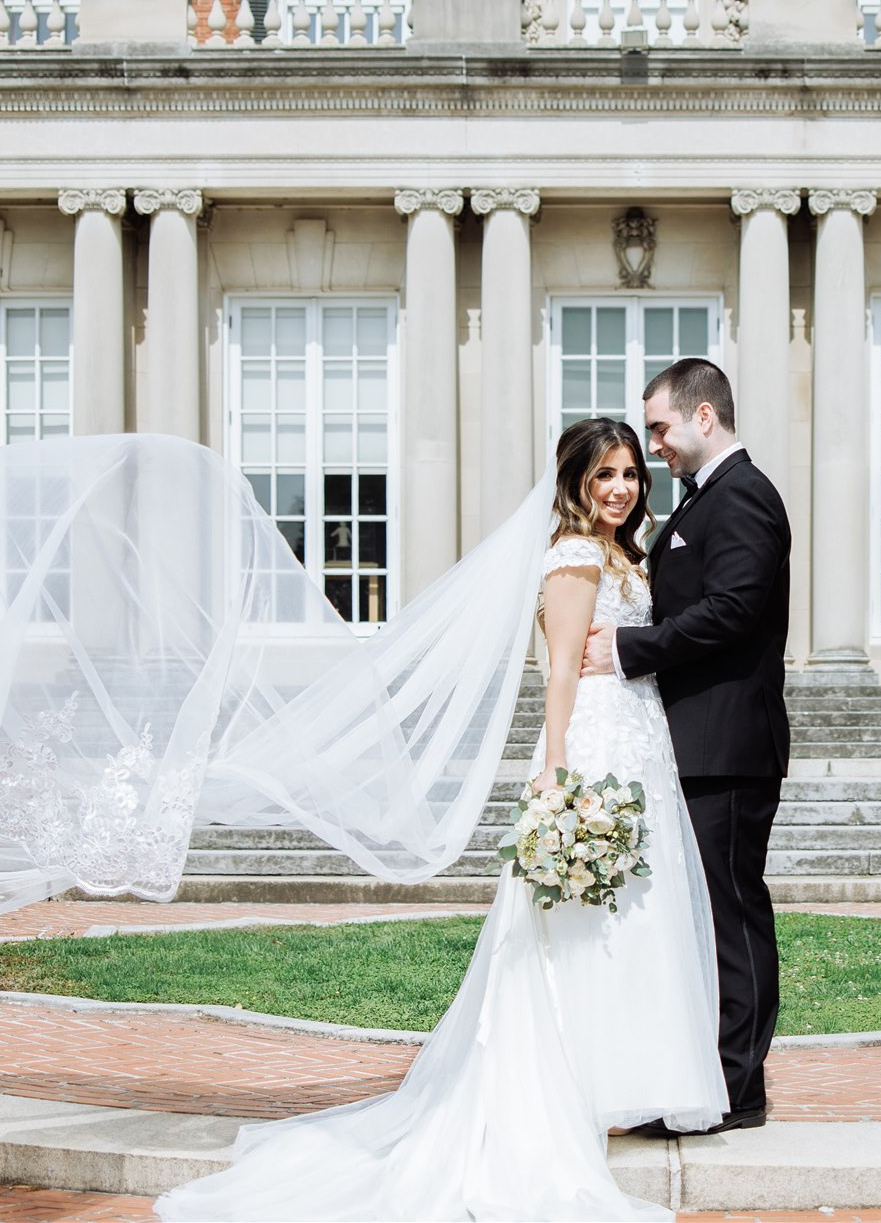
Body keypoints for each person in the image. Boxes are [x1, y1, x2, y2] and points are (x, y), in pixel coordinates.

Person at [155, 415, 729, 1222]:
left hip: (641, 745)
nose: (622, 489)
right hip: (594, 745)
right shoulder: (570, 555)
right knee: (573, 927)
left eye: (631, 473)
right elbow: (561, 672)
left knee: (633, 916)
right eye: (604, 475)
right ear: (575, 482)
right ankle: (566, 1088)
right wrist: (559, 774)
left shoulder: (626, 553)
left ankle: (618, 1083)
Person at [582, 357, 792, 1130]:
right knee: (699, 917)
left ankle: (739, 1090)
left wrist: (630, 649)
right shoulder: (704, 504)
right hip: (690, 746)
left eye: (662, 428)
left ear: (705, 418)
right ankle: (697, 1077)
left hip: (728, 748)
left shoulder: (744, 498)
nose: (656, 446)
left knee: (732, 918)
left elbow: (735, 609)